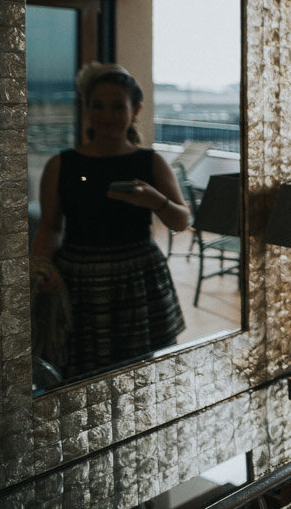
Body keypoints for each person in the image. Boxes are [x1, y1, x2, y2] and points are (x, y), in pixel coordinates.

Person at [31, 62, 191, 378]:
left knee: (143, 373)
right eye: (98, 105)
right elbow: (50, 226)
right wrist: (40, 269)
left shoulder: (151, 161)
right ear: (87, 108)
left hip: (138, 277)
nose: (107, 115)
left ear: (136, 109)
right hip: (79, 279)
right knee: (81, 371)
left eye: (118, 106)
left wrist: (155, 200)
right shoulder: (60, 164)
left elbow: (182, 220)